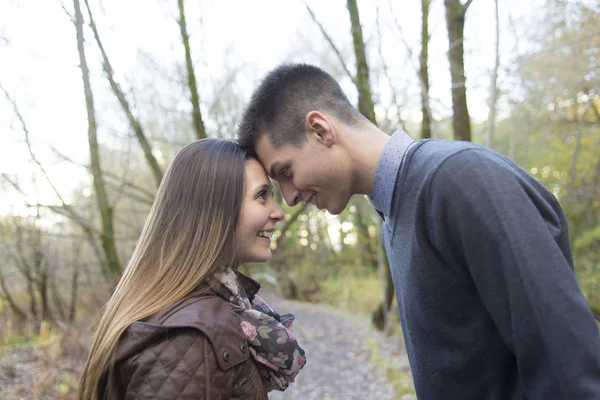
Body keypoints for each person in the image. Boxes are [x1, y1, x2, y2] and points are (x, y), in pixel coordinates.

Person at [237, 63, 600, 399]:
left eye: (285, 172)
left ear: (321, 129)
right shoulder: (396, 211)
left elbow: (570, 369)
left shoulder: (460, 180)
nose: (290, 197)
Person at [77, 139, 306, 400]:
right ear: (214, 210)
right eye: (262, 195)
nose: (279, 212)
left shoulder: (211, 312)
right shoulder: (187, 339)